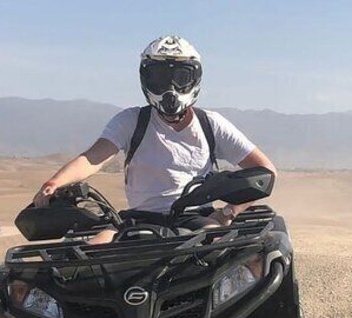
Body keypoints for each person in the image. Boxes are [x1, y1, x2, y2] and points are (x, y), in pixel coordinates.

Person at [33, 35, 276, 242]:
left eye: (180, 77)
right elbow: (93, 158)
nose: (170, 87)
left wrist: (228, 212)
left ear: (194, 79)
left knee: (223, 253)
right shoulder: (131, 121)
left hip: (196, 217)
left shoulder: (211, 124)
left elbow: (265, 172)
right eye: (159, 78)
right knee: (90, 258)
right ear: (146, 79)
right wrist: (55, 183)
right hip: (139, 219)